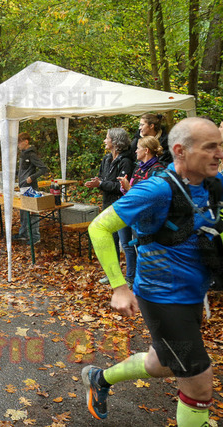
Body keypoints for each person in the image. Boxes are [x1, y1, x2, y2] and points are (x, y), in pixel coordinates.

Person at [84, 117, 223, 426]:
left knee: (160, 363)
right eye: (210, 147)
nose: (219, 153)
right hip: (163, 297)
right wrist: (119, 286)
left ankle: (99, 379)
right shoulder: (156, 189)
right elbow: (99, 227)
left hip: (192, 295)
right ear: (180, 151)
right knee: (199, 383)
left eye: (220, 146)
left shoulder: (212, 183)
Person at [85, 128, 136, 286]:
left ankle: (131, 277)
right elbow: (103, 178)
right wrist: (97, 182)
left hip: (122, 206)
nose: (104, 141)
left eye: (107, 138)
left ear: (115, 142)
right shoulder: (107, 158)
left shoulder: (126, 161)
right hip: (108, 204)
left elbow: (121, 187)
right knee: (111, 241)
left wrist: (101, 184)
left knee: (125, 243)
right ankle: (113, 275)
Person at [12, 132, 49, 244]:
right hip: (23, 187)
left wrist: (32, 178)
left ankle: (35, 237)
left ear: (26, 142)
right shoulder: (23, 154)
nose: (18, 145)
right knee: (24, 212)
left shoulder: (32, 154)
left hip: (31, 189)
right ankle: (23, 234)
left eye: (19, 142)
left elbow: (44, 169)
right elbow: (24, 170)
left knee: (32, 212)